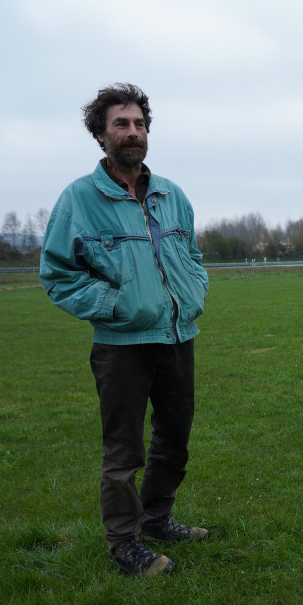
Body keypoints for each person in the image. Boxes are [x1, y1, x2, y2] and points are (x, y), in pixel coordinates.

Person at [40, 83, 211, 577]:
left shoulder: (171, 195)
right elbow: (57, 274)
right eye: (120, 123)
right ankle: (124, 543)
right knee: (124, 450)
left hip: (178, 337)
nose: (131, 132)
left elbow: (193, 257)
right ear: (100, 135)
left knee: (175, 438)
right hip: (122, 346)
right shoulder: (79, 199)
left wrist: (194, 292)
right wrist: (115, 305)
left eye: (138, 124)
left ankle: (157, 519)